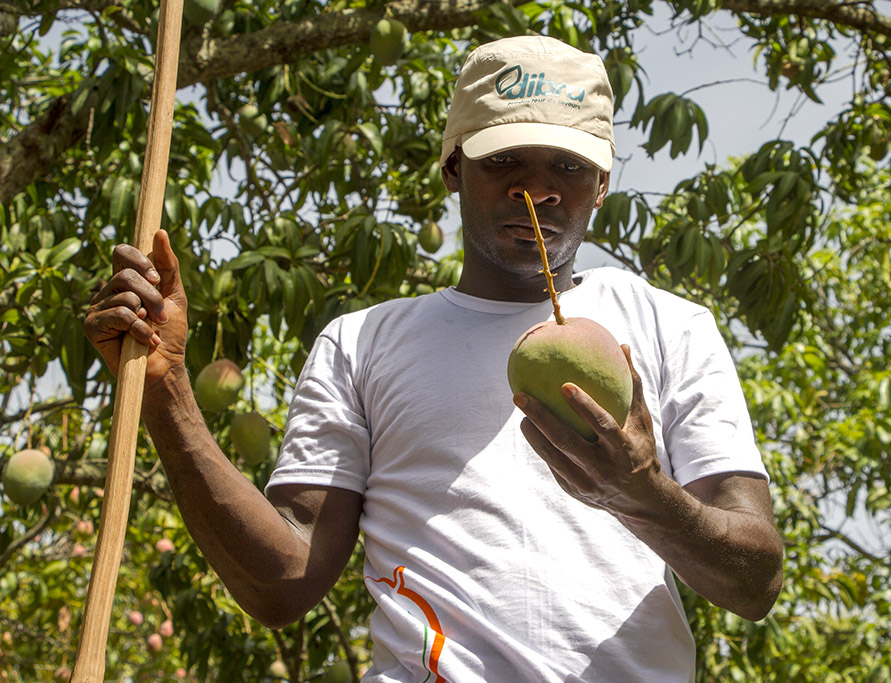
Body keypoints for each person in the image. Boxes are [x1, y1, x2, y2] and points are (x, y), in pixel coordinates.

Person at [85, 35, 783, 682]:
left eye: (568, 166)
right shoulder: (361, 343)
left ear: (601, 184)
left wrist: (641, 494)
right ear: (454, 167)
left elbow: (755, 582)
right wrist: (166, 386)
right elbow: (282, 582)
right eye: (505, 160)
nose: (535, 190)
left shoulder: (670, 327)